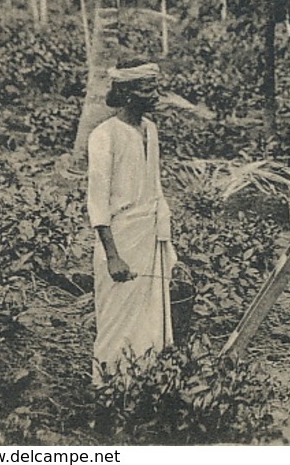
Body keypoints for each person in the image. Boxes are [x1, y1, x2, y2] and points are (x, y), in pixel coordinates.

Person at [87, 59, 176, 384]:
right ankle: (108, 388)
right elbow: (97, 202)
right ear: (125, 92)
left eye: (154, 87)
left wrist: (166, 242)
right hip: (121, 240)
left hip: (149, 236)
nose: (153, 95)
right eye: (145, 88)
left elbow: (155, 189)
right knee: (115, 319)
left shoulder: (150, 130)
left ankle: (143, 385)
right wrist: (112, 255)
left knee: (151, 318)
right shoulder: (104, 136)